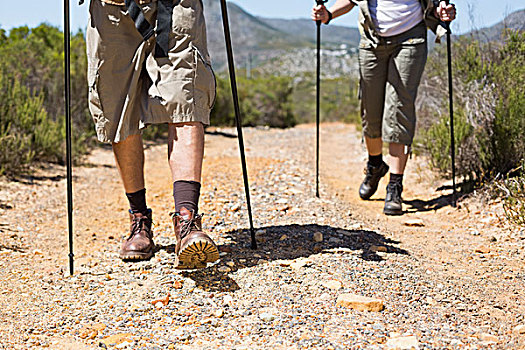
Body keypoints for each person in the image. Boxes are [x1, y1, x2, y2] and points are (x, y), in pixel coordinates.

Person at [86, 0, 219, 268]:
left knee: (186, 98)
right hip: (112, 7)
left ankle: (187, 220)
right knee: (118, 108)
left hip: (178, 5)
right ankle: (139, 221)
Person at [312, 0, 456, 215]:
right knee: (370, 112)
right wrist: (328, 15)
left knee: (400, 108)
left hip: (411, 39)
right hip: (372, 41)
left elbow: (433, 5)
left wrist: (443, 12)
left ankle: (395, 186)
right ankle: (375, 165)